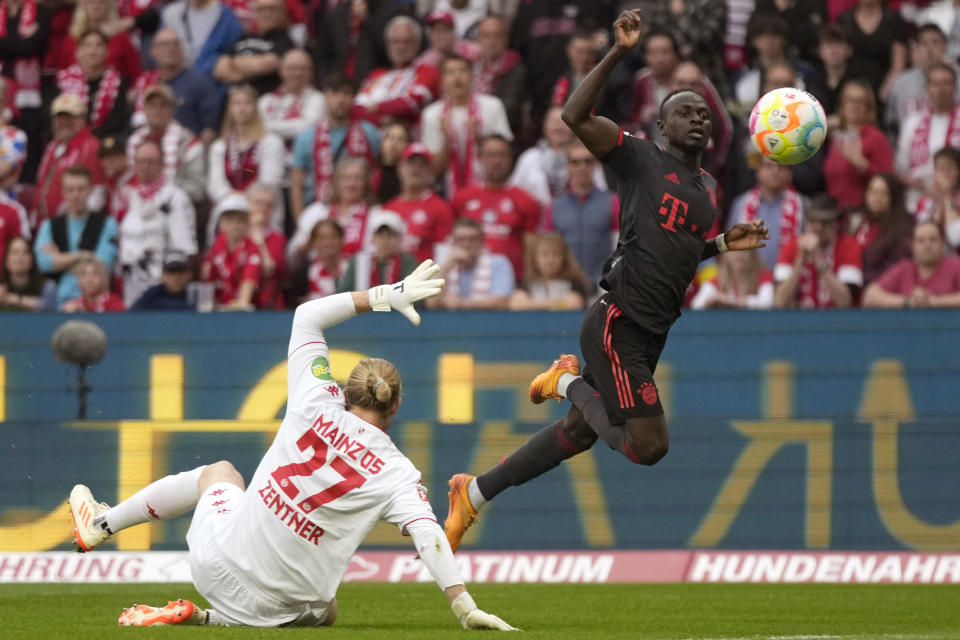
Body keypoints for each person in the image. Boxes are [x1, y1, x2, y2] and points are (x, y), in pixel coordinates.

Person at [442, 9, 768, 553]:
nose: (698, 119)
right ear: (661, 126)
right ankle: (565, 379)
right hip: (620, 321)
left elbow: (675, 253)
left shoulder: (707, 187)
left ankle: (472, 493)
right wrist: (617, 52)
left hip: (651, 331)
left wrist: (719, 245)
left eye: (703, 113)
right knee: (648, 445)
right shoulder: (640, 158)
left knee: (578, 433)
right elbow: (572, 113)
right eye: (683, 112)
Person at [67, 261, 517, 631]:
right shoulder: (398, 473)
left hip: (216, 566)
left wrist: (384, 295)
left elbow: (307, 316)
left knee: (219, 474)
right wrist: (464, 605)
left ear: (344, 388)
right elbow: (428, 536)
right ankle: (213, 617)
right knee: (327, 610)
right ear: (397, 404)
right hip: (284, 608)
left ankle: (102, 525)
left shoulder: (314, 400)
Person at [114, 139, 198, 307]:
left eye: (151, 162)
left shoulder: (175, 198)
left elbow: (183, 248)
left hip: (160, 289)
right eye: (140, 162)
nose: (145, 167)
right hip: (130, 284)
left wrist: (170, 282)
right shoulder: (125, 196)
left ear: (162, 164)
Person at [420, 54, 512, 199]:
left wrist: (480, 138)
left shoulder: (493, 106)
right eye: (450, 73)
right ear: (442, 80)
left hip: (489, 189)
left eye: (462, 71)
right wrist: (446, 140)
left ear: (471, 76)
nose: (457, 78)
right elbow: (434, 171)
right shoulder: (431, 114)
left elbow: (505, 157)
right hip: (447, 194)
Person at [451, 135, 541, 282]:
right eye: (491, 155)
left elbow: (531, 248)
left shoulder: (526, 200)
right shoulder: (462, 198)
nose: (497, 161)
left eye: (502, 155)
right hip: (467, 278)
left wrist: (529, 282)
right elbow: (451, 242)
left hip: (512, 280)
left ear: (511, 159)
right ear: (480, 158)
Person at [290, 73, 378, 217]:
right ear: (325, 96)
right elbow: (297, 184)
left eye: (346, 94)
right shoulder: (306, 137)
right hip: (320, 212)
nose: (341, 99)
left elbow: (375, 172)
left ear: (353, 98)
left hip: (362, 213)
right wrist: (301, 220)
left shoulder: (369, 133)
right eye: (335, 93)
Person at [35, 166, 118, 306]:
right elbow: (43, 263)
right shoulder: (49, 225)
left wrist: (59, 259)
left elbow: (103, 264)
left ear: (90, 190)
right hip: (59, 304)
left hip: (96, 304)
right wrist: (82, 256)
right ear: (63, 191)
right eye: (70, 189)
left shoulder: (107, 223)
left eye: (81, 189)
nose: (76, 195)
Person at [208, 84, 285, 235]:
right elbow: (215, 184)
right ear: (230, 109)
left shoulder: (270, 142)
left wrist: (246, 196)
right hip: (229, 206)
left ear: (256, 108)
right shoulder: (219, 146)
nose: (242, 108)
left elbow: (270, 179)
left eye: (248, 103)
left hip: (261, 208)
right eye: (237, 103)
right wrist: (233, 197)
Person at [543, 139, 618, 287]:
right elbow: (548, 249)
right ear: (568, 166)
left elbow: (620, 247)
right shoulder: (555, 205)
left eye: (587, 161)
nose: (582, 167)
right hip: (565, 286)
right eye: (575, 162)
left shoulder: (613, 201)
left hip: (603, 285)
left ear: (595, 165)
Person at [129, 29, 222, 141]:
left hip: (185, 148)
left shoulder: (199, 82)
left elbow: (209, 129)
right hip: (148, 147)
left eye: (175, 43)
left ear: (181, 49)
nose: (170, 48)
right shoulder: (145, 82)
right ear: (153, 51)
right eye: (164, 44)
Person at [289, 156, 383, 267]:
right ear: (336, 182)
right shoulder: (316, 212)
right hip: (316, 278)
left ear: (366, 184)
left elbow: (379, 254)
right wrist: (308, 246)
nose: (351, 184)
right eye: (346, 178)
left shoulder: (377, 215)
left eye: (358, 178)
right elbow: (292, 256)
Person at [774, 194, 862, 309]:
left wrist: (819, 261)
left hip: (837, 321)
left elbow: (845, 302)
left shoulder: (850, 246)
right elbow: (780, 301)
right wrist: (800, 260)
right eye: (813, 220)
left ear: (836, 223)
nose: (818, 227)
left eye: (825, 222)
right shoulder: (791, 245)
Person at [510, 106, 608, 209]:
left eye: (564, 122)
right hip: (537, 220)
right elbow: (513, 193)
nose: (559, 127)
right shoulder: (529, 158)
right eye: (554, 122)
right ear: (545, 127)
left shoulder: (585, 156)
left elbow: (601, 191)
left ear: (573, 127)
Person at [353, 16, 440, 130]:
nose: (401, 47)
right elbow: (356, 109)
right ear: (388, 45)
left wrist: (378, 107)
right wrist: (382, 120)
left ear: (417, 44)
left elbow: (411, 103)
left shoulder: (427, 72)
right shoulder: (376, 75)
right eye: (395, 41)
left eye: (407, 41)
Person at [126, 84, 206, 204]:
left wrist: (161, 191)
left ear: (172, 110)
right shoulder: (134, 141)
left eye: (163, 105)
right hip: (138, 205)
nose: (157, 111)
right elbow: (129, 180)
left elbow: (198, 190)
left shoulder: (189, 143)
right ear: (145, 109)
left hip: (175, 206)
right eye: (152, 105)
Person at [35, 94, 107, 227]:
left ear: (82, 118)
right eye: (59, 117)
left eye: (70, 117)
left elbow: (98, 193)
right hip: (47, 225)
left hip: (74, 225)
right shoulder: (53, 147)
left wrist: (77, 224)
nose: (63, 122)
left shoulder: (91, 147)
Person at [896, 63, 960, 210]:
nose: (941, 89)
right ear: (927, 88)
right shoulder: (912, 122)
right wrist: (923, 185)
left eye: (946, 83)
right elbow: (901, 168)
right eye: (935, 83)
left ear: (955, 87)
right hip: (917, 200)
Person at [824, 79, 894, 211]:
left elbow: (888, 181)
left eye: (860, 102)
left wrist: (862, 164)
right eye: (850, 100)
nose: (854, 106)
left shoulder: (875, 137)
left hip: (862, 211)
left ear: (868, 108)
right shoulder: (836, 137)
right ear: (843, 105)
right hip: (835, 211)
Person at [382, 142, 455, 264]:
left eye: (422, 165)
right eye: (411, 163)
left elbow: (445, 252)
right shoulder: (388, 208)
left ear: (429, 171)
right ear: (400, 168)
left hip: (424, 279)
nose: (416, 169)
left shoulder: (441, 208)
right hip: (393, 279)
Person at [730, 156, 805, 271]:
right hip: (751, 280)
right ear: (758, 171)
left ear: (789, 173)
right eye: (768, 166)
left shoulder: (802, 205)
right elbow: (730, 247)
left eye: (781, 166)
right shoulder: (741, 204)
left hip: (788, 279)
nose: (775, 171)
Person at [863, 220, 960, 307]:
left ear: (942, 243)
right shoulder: (904, 268)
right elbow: (869, 296)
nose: (927, 245)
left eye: (933, 239)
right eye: (921, 241)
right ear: (913, 245)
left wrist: (934, 302)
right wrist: (908, 302)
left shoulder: (956, 264)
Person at [56, 28, 130, 139]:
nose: (93, 51)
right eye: (88, 46)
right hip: (70, 139)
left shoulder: (118, 82)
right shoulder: (63, 81)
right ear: (79, 51)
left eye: (98, 46)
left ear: (107, 51)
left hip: (104, 142)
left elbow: (118, 119)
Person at [427, 217, 514, 310]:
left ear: (481, 241)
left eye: (472, 239)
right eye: (461, 239)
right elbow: (431, 303)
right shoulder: (444, 265)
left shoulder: (498, 263)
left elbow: (502, 302)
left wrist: (461, 303)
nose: (467, 244)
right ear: (453, 242)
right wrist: (448, 266)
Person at [884, 23, 950, 140]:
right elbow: (891, 126)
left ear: (945, 46)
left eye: (935, 42)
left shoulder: (957, 81)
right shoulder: (901, 83)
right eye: (924, 43)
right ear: (916, 48)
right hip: (909, 149)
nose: (930, 49)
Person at [213, 0, 294, 95]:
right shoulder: (244, 37)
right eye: (261, 9)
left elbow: (265, 65)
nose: (267, 14)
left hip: (264, 101)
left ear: (282, 14)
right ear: (255, 14)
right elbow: (219, 68)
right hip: (234, 101)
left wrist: (234, 63)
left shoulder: (285, 41)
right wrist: (249, 70)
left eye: (272, 9)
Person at [258, 49, 325, 160]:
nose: (297, 74)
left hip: (300, 166)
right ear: (281, 70)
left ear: (311, 73)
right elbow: (255, 132)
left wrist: (267, 126)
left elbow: (307, 128)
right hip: (265, 162)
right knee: (247, 171)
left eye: (303, 69)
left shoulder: (318, 99)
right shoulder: (265, 100)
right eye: (292, 68)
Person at [849, 173, 913, 286]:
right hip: (853, 285)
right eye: (873, 192)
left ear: (893, 197)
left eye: (883, 194)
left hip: (880, 289)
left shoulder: (902, 227)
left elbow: (899, 267)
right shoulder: (857, 220)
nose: (877, 198)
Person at [836, 0, 908, 101]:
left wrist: (881, 97)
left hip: (885, 87)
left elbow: (898, 67)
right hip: (849, 86)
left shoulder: (894, 20)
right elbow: (838, 60)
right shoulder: (844, 20)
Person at [202, 193, 262, 310]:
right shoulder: (216, 246)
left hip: (248, 313)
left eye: (240, 220)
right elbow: (210, 281)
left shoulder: (252, 248)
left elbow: (248, 282)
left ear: (247, 223)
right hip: (220, 310)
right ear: (221, 223)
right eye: (229, 220)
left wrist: (241, 303)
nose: (235, 225)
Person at [471, 16, 527, 139]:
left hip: (500, 136)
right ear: (479, 39)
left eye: (498, 36)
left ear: (506, 39)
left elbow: (510, 108)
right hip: (471, 130)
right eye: (487, 36)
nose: (492, 41)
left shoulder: (516, 70)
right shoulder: (470, 67)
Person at [336, 210, 417, 291]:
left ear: (399, 238)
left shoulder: (407, 262)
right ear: (373, 238)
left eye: (391, 235)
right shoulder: (360, 261)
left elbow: (415, 293)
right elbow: (343, 293)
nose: (385, 240)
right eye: (380, 234)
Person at [58, 0, 141, 79]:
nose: (96, 6)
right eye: (91, 2)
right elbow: (62, 72)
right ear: (83, 6)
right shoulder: (72, 38)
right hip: (75, 91)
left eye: (101, 2)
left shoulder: (121, 37)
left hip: (116, 90)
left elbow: (136, 72)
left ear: (108, 7)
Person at [160, 0, 243, 76]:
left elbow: (231, 57)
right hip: (176, 80)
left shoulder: (226, 18)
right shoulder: (170, 13)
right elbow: (159, 50)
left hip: (212, 83)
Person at [509, 233, 588, 311]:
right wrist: (558, 304)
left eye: (556, 254)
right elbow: (516, 304)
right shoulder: (527, 283)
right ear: (534, 259)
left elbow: (575, 303)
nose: (550, 260)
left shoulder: (574, 283)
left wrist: (531, 304)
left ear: (564, 258)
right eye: (544, 254)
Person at [628, 29, 680, 138]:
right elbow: (633, 118)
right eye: (653, 53)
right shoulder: (641, 80)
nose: (660, 59)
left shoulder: (689, 79)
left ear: (675, 54)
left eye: (665, 52)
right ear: (646, 56)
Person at [690, 250, 775, 310]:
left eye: (744, 250)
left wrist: (733, 303)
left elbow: (767, 302)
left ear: (753, 255)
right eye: (734, 250)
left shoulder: (764, 275)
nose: (738, 255)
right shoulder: (718, 280)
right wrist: (710, 303)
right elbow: (696, 305)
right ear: (726, 254)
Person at [247, 181, 286, 309]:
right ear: (248, 204)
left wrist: (259, 240)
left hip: (268, 307)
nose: (264, 208)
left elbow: (269, 269)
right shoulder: (238, 234)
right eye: (259, 203)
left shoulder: (277, 238)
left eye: (269, 205)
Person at [915, 145, 960, 252]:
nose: (946, 174)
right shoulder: (924, 202)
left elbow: (956, 238)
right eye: (941, 169)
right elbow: (926, 237)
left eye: (949, 169)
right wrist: (938, 206)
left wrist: (948, 198)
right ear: (934, 173)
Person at [0, 236, 57, 311]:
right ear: (6, 260)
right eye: (14, 252)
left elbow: (50, 306)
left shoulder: (47, 285)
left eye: (26, 252)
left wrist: (16, 299)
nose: (20, 258)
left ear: (32, 260)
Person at [300, 218, 345, 301]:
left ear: (342, 239)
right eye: (322, 238)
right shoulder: (303, 273)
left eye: (333, 237)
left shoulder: (354, 269)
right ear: (313, 242)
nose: (328, 242)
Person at [129, 256, 195, 310]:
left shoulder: (196, 294)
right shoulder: (152, 294)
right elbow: (131, 316)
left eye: (180, 273)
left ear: (189, 275)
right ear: (163, 276)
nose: (176, 278)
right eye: (171, 273)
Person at [62, 255, 126, 311]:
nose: (89, 280)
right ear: (79, 281)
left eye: (95, 274)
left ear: (104, 279)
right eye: (84, 275)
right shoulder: (73, 306)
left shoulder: (114, 303)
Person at [374, 121, 408, 204]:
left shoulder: (409, 176)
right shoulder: (371, 173)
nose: (394, 143)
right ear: (382, 142)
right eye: (390, 138)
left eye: (400, 139)